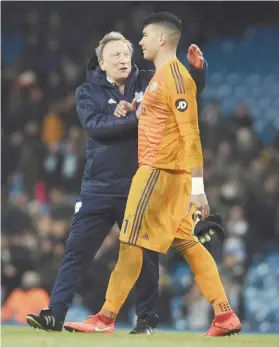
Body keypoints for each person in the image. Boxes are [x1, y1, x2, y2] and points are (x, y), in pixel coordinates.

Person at [63, 12, 242, 337]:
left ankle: (104, 318)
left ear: (161, 39)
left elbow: (192, 135)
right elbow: (163, 116)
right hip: (172, 178)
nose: (139, 42)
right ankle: (224, 314)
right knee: (188, 242)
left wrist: (199, 188)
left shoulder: (171, 78)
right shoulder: (163, 78)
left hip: (158, 175)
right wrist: (135, 111)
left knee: (130, 242)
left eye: (144, 36)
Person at [26, 31, 208, 334]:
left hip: (141, 185)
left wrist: (198, 72)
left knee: (147, 255)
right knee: (77, 251)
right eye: (115, 56)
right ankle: (54, 314)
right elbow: (96, 127)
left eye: (126, 54)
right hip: (97, 187)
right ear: (102, 62)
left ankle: (146, 320)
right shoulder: (87, 91)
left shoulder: (151, 80)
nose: (123, 60)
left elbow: (184, 97)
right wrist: (139, 118)